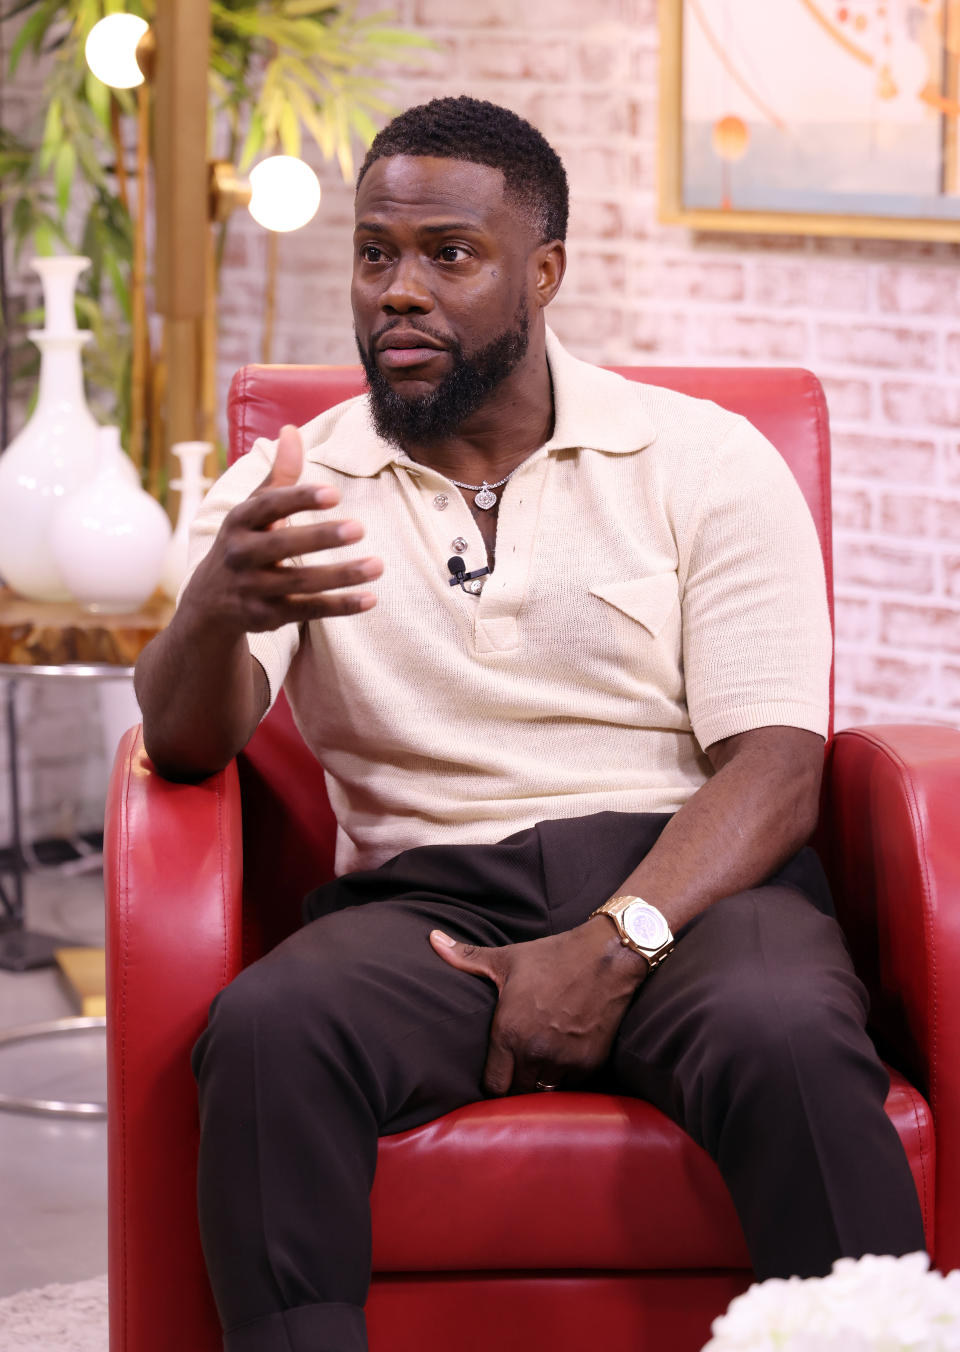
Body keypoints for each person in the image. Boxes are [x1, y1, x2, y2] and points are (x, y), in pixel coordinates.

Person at [135, 96, 925, 1352]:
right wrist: (212, 614)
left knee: (784, 1033)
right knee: (272, 1030)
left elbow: (776, 767)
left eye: (449, 254)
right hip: (426, 907)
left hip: (691, 883)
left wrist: (614, 941)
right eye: (377, 253)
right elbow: (185, 747)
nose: (400, 290)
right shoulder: (290, 488)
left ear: (541, 272)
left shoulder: (701, 459)